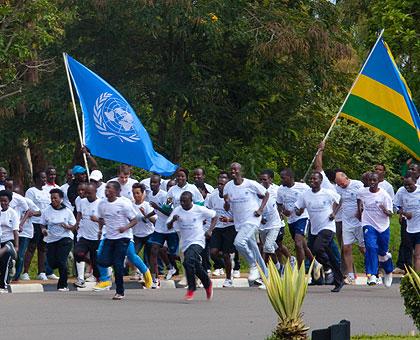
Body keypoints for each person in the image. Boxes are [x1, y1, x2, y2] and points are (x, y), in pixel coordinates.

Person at [295, 171, 344, 292]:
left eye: (315, 179)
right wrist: (298, 212)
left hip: (327, 227)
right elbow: (299, 208)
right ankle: (338, 279)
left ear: (320, 181)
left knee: (317, 248)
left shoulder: (327, 193)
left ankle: (327, 267)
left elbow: (340, 200)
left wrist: (334, 213)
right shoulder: (305, 194)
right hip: (314, 229)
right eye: (311, 179)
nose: (312, 181)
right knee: (322, 252)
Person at [167, 191, 217, 301]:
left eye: (185, 201)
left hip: (198, 240)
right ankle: (207, 283)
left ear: (191, 201)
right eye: (181, 201)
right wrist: (173, 220)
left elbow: (214, 216)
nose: (183, 204)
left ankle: (191, 288)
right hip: (185, 242)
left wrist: (210, 230)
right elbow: (168, 226)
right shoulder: (177, 210)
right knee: (194, 264)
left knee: (187, 261)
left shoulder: (199, 209)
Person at [223, 162, 269, 283]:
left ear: (240, 171)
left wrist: (260, 209)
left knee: (239, 243)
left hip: (252, 219)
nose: (233, 172)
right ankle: (267, 278)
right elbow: (227, 207)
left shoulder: (250, 184)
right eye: (231, 170)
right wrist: (227, 203)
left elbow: (266, 194)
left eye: (235, 169)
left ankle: (253, 265)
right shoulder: (228, 186)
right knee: (254, 249)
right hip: (239, 222)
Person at [95, 181, 140, 300]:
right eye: (106, 188)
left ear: (116, 191)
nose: (106, 191)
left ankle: (120, 292)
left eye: (109, 188)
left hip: (122, 237)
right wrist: (100, 230)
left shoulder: (123, 204)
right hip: (109, 237)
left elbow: (134, 220)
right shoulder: (102, 204)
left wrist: (125, 227)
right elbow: (101, 218)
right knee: (101, 260)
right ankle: (119, 262)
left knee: (117, 264)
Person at [276, 168, 322, 278]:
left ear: (290, 177)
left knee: (298, 243)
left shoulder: (302, 187)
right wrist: (283, 211)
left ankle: (300, 272)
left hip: (302, 217)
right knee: (303, 245)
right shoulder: (281, 189)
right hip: (291, 220)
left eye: (283, 178)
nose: (281, 180)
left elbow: (312, 195)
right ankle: (315, 263)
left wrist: (303, 208)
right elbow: (279, 204)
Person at [357, 172, 393, 287]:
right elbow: (358, 198)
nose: (372, 183)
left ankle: (388, 271)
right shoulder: (363, 192)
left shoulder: (384, 195)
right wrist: (359, 210)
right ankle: (371, 274)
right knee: (371, 247)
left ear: (378, 182)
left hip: (382, 226)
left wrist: (385, 210)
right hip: (368, 224)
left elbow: (391, 213)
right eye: (370, 180)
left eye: (374, 181)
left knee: (382, 253)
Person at [23, 171, 57, 281]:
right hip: (34, 223)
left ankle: (41, 272)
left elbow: (49, 207)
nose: (45, 179)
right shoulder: (31, 191)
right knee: (32, 247)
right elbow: (29, 208)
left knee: (43, 248)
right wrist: (39, 212)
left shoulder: (47, 192)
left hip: (45, 223)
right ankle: (25, 272)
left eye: (45, 177)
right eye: (42, 177)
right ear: (36, 179)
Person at [40, 189, 76, 291]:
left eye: (55, 198)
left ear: (61, 199)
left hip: (65, 238)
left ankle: (63, 285)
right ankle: (64, 265)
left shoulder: (67, 211)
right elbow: (42, 223)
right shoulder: (47, 211)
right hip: (51, 239)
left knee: (61, 261)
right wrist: (43, 230)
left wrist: (67, 227)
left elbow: (73, 226)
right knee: (52, 263)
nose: (53, 200)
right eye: (51, 198)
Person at [147, 175, 179, 288]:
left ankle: (175, 266)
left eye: (155, 183)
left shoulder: (165, 196)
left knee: (173, 253)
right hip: (159, 227)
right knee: (154, 250)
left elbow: (170, 213)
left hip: (170, 227)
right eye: (151, 182)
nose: (152, 184)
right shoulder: (150, 194)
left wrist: (158, 207)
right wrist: (147, 216)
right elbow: (156, 211)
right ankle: (154, 278)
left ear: (160, 184)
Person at [335, 172, 365, 284]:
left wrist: (360, 211)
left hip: (359, 222)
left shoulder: (357, 184)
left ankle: (373, 271)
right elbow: (337, 202)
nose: (341, 186)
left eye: (342, 183)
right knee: (346, 248)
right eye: (338, 184)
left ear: (347, 178)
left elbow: (364, 198)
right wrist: (334, 213)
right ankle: (351, 275)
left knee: (363, 249)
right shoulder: (338, 188)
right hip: (346, 222)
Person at [258, 170, 290, 272]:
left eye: (265, 179)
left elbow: (282, 203)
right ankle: (279, 266)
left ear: (270, 179)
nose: (263, 182)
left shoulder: (277, 190)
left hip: (276, 223)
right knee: (271, 247)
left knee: (269, 247)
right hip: (262, 225)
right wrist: (259, 217)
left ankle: (279, 265)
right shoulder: (257, 190)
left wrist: (282, 213)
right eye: (261, 180)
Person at [207, 175, 235, 287]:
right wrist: (209, 228)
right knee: (213, 252)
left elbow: (239, 216)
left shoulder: (233, 197)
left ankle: (228, 278)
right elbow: (209, 211)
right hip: (217, 227)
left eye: (222, 184)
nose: (220, 186)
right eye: (218, 184)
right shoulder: (212, 196)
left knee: (227, 254)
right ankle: (226, 265)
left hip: (230, 227)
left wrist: (229, 219)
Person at [73, 183, 101, 288]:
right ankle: (80, 279)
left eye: (90, 193)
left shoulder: (101, 203)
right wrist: (77, 223)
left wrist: (97, 220)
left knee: (96, 260)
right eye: (86, 193)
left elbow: (106, 220)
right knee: (77, 253)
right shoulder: (81, 201)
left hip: (96, 237)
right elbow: (79, 213)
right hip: (83, 235)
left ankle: (100, 278)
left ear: (95, 192)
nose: (87, 195)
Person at [11, 185, 40, 281]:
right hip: (13, 232)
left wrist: (32, 213)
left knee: (20, 255)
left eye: (19, 194)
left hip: (25, 233)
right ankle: (10, 274)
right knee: (12, 254)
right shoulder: (11, 201)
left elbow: (39, 212)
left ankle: (17, 277)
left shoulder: (28, 202)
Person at [130, 183, 156, 279]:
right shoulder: (130, 206)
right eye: (134, 193)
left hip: (149, 234)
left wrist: (145, 214)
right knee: (132, 255)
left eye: (138, 193)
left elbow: (154, 220)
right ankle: (137, 272)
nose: (136, 195)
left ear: (142, 193)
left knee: (148, 258)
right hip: (136, 235)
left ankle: (149, 277)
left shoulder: (147, 205)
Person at [394, 176, 420, 271]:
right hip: (408, 227)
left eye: (410, 185)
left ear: (415, 181)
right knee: (409, 251)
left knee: (417, 255)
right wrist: (404, 213)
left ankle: (418, 279)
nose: (407, 187)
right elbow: (396, 206)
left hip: (419, 227)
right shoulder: (401, 191)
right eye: (405, 185)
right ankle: (409, 274)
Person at [0, 190, 19, 293]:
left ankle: (3, 286)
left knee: (4, 263)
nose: (3, 203)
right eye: (1, 201)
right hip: (0, 240)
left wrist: (16, 246)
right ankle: (11, 266)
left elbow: (15, 231)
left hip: (9, 240)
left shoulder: (13, 213)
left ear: (9, 201)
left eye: (5, 201)